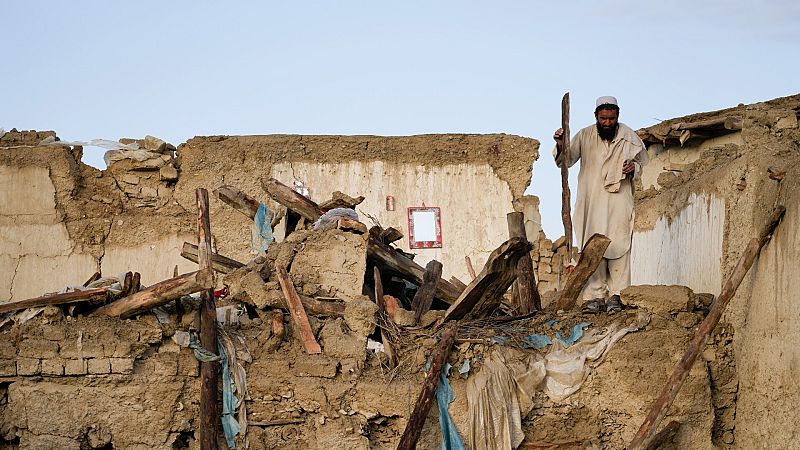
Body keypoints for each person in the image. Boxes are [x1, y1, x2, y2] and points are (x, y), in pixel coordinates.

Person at [553, 96, 648, 313]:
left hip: (618, 201)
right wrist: (560, 143)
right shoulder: (585, 135)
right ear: (596, 116)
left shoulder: (629, 137)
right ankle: (594, 297)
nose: (607, 123)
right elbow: (566, 160)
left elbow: (642, 163)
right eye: (603, 118)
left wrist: (633, 168)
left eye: (611, 119)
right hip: (591, 201)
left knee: (620, 243)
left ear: (617, 116)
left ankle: (618, 295)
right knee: (591, 246)